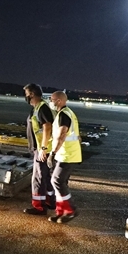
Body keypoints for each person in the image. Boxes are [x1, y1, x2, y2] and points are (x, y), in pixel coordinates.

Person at [47, 91, 82, 223]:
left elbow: (62, 135)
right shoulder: (66, 113)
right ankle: (60, 211)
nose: (50, 101)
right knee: (59, 183)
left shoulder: (64, 115)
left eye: (52, 99)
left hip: (68, 154)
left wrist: (52, 153)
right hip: (66, 153)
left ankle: (71, 209)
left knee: (57, 181)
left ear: (59, 101)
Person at [23, 83, 56, 215]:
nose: (25, 97)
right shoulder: (38, 107)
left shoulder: (42, 108)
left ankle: (39, 207)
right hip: (43, 148)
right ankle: (50, 201)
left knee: (38, 178)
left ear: (32, 94)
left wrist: (43, 148)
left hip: (42, 149)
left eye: (26, 94)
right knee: (46, 177)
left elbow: (48, 126)